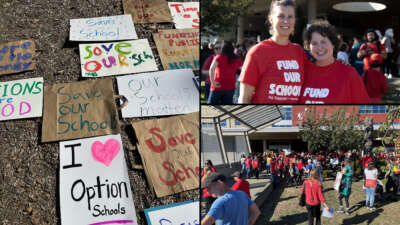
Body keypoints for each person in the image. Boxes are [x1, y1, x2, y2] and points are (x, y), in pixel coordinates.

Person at [239, 0, 309, 104]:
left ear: (294, 20)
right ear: (271, 19)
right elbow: (244, 98)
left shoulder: (298, 51)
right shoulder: (258, 52)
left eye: (290, 17)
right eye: (281, 16)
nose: (286, 21)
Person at [299, 20, 371, 104]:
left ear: (333, 44)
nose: (319, 47)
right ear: (309, 48)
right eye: (314, 43)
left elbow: (365, 110)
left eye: (323, 41)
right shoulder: (302, 73)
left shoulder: (349, 73)